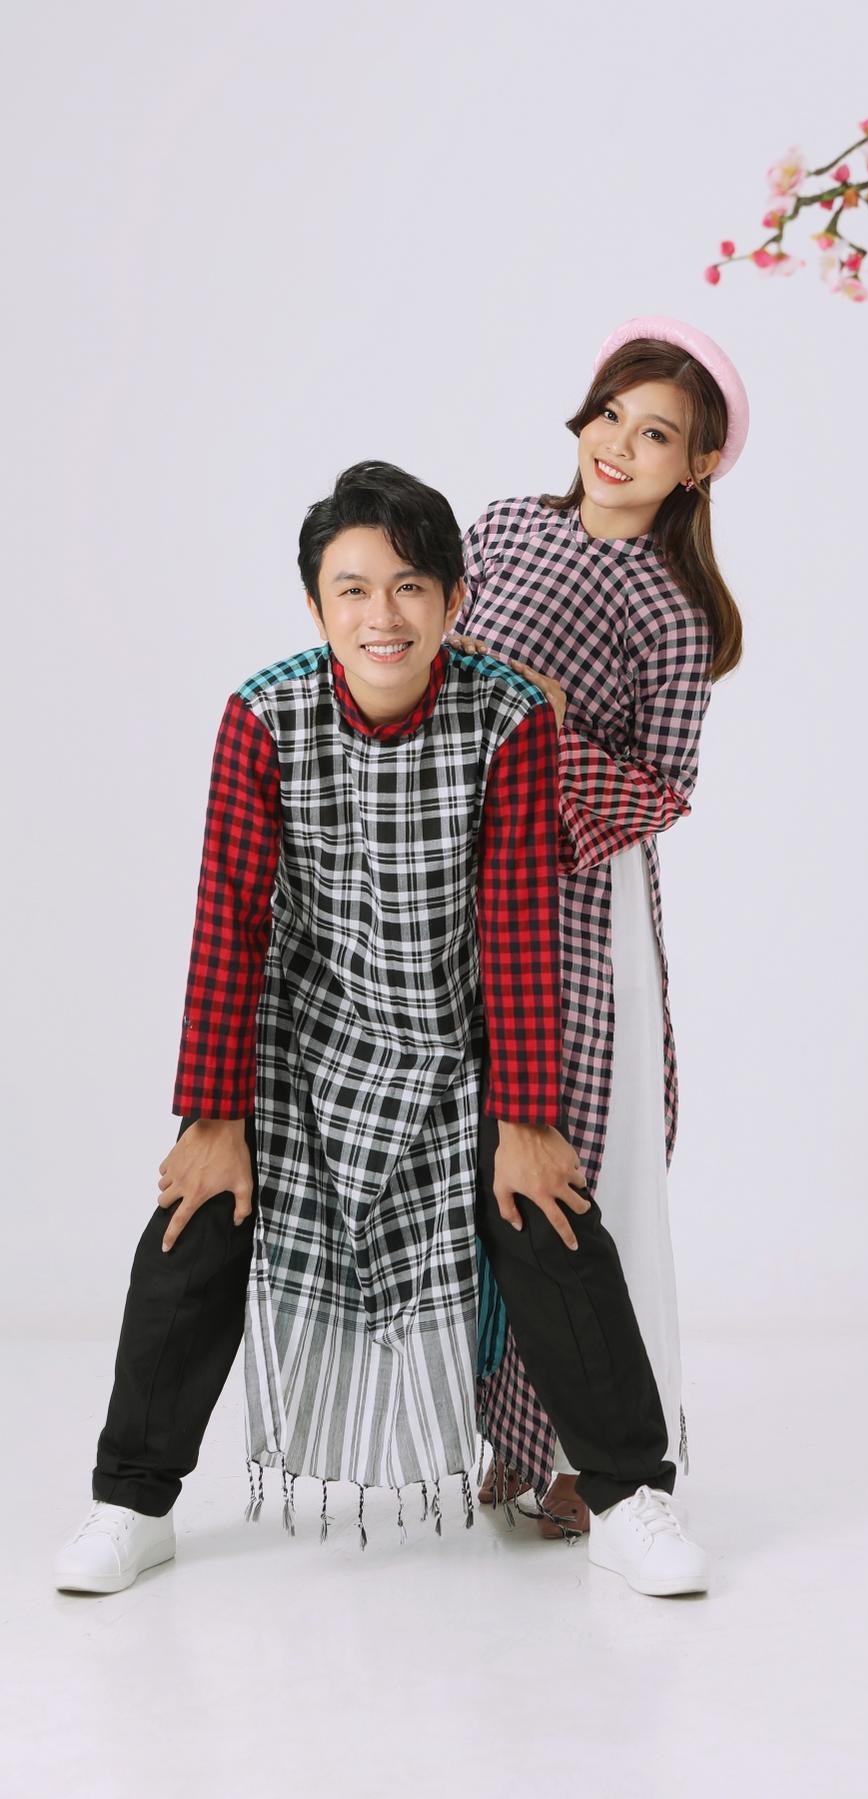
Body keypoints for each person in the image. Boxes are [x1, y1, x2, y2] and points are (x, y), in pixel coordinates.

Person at [53, 460, 709, 1599]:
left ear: (453, 598)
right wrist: (212, 1117)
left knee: (549, 1213)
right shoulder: (263, 713)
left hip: (458, 1041)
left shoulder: (507, 717)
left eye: (409, 586)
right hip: (303, 1040)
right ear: (316, 607)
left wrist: (525, 1120)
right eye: (352, 589)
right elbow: (229, 922)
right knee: (195, 1218)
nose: (382, 615)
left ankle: (626, 1496)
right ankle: (130, 1501)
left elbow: (517, 924)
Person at [453, 316, 747, 1537]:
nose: (619, 446)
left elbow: (663, 787)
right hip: (452, 875)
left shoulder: (671, 611)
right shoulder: (502, 527)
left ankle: (599, 1448)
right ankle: (505, 1433)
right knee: (464, 1155)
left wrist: (547, 731)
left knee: (573, 1159)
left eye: (656, 434)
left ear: (697, 465)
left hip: (577, 902)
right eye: (610, 415)